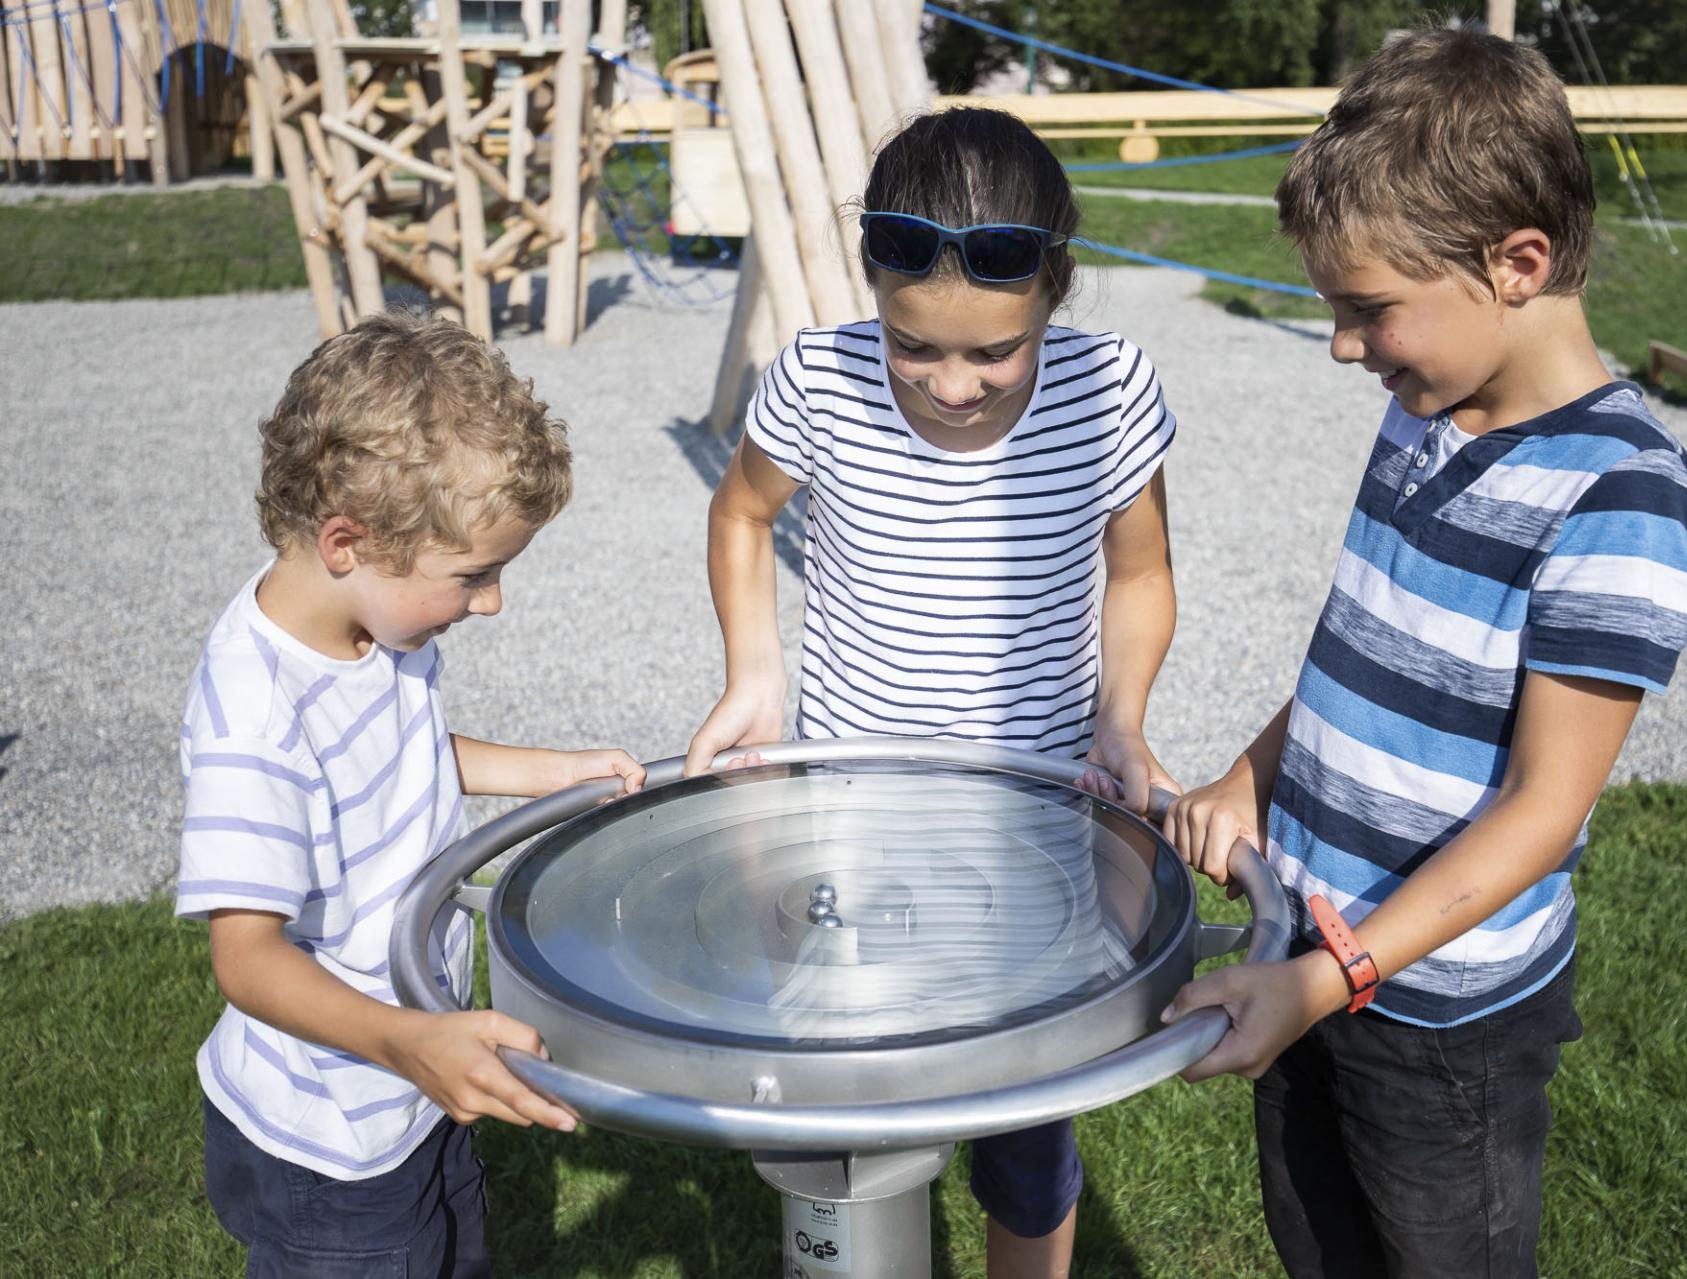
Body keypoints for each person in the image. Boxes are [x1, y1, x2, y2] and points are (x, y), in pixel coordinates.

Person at [1161, 28, 1687, 1279]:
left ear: (1515, 263)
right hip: (1308, 948)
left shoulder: (1620, 495)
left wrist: (1335, 974)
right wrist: (1254, 772)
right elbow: (1360, 652)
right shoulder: (1426, 416)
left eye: (1369, 310)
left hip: (1441, 1022)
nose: (1345, 346)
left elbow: (1542, 812)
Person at [686, 107, 1178, 1278]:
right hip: (850, 816)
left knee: (1025, 1123)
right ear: (876, 296)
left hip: (1035, 820)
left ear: (1053, 294)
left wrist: (1125, 718)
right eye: (917, 346)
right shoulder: (820, 376)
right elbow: (742, 513)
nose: (952, 384)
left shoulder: (1109, 389)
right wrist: (754, 676)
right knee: (851, 1105)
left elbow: (1142, 570)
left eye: (992, 352)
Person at [175, 312, 645, 1277]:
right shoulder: (254, 715)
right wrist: (408, 1038)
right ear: (347, 541)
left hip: (411, 1077)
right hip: (331, 1130)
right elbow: (245, 956)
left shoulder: (376, 630)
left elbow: (408, 751)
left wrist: (551, 772)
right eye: (474, 576)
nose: (492, 602)